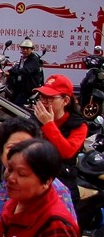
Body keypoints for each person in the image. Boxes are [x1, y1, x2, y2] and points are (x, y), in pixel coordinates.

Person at [33, 74, 88, 208]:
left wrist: (49, 125)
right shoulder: (34, 119)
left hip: (63, 180)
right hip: (35, 179)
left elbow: (67, 152)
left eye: (50, 98)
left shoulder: (78, 125)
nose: (44, 102)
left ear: (65, 100)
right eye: (42, 97)